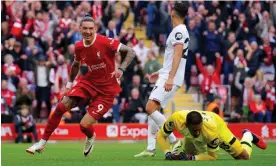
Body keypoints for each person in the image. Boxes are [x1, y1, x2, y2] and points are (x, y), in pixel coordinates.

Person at [26, 14, 136, 156]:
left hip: (107, 90)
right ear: (80, 29)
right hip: (88, 82)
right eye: (85, 28)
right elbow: (76, 64)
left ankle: (90, 136)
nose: (88, 31)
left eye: (91, 28)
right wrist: (69, 84)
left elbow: (130, 52)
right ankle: (41, 143)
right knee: (60, 107)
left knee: (84, 125)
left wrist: (120, 69)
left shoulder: (105, 42)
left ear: (95, 28)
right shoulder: (78, 46)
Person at [134, 2, 189, 157]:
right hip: (167, 75)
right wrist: (161, 72)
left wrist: (169, 77)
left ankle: (174, 141)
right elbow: (173, 57)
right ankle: (151, 148)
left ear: (172, 13)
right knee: (154, 110)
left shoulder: (179, 31)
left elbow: (178, 54)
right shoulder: (180, 30)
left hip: (171, 77)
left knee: (150, 107)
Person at [157, 110, 267, 161]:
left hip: (218, 127)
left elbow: (212, 157)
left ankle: (248, 135)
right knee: (186, 155)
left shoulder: (211, 130)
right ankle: (179, 146)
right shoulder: (176, 119)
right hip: (193, 133)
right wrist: (167, 153)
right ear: (186, 125)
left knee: (243, 157)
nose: (197, 133)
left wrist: (192, 158)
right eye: (194, 130)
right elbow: (161, 135)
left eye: (199, 129)